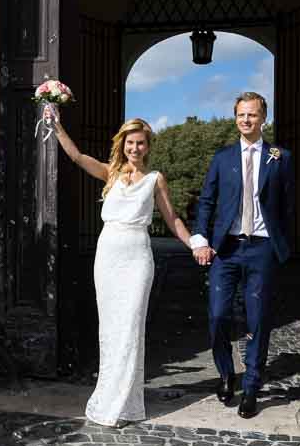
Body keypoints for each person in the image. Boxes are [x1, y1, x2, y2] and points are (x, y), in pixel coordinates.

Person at [51, 116, 194, 427]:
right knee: (111, 329)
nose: (135, 147)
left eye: (140, 142)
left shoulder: (155, 179)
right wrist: (57, 123)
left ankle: (124, 404)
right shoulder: (110, 173)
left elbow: (173, 220)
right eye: (130, 142)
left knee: (130, 328)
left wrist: (195, 244)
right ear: (123, 145)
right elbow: (75, 156)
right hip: (108, 256)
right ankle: (109, 399)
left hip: (138, 257)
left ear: (147, 146)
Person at [190, 92, 294, 419]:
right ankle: (226, 374)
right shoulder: (222, 158)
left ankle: (251, 386)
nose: (246, 120)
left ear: (263, 118)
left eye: (252, 115)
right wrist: (200, 240)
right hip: (227, 248)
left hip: (262, 247)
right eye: (240, 115)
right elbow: (206, 201)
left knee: (258, 318)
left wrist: (282, 244)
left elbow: (288, 205)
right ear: (235, 118)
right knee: (218, 315)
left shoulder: (281, 158)